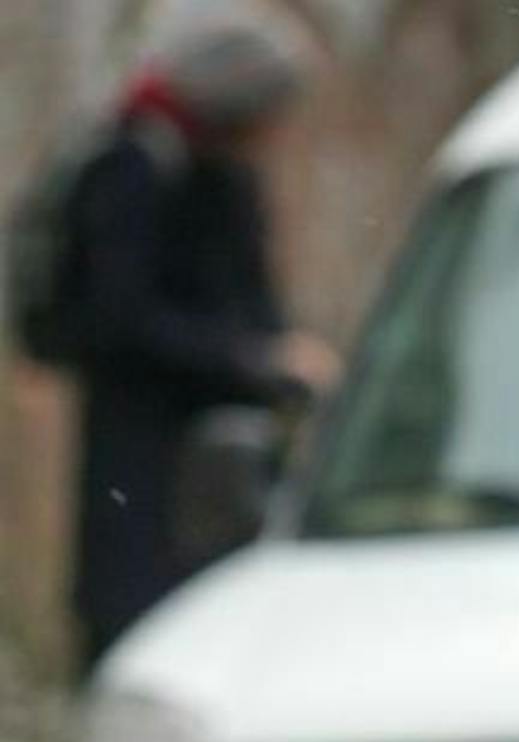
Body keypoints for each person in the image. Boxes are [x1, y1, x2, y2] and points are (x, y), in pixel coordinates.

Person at [56, 7, 331, 677]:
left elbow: (245, 295)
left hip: (222, 461)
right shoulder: (135, 167)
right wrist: (252, 361)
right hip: (141, 465)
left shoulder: (221, 173)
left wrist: (279, 364)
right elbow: (120, 320)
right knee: (137, 633)